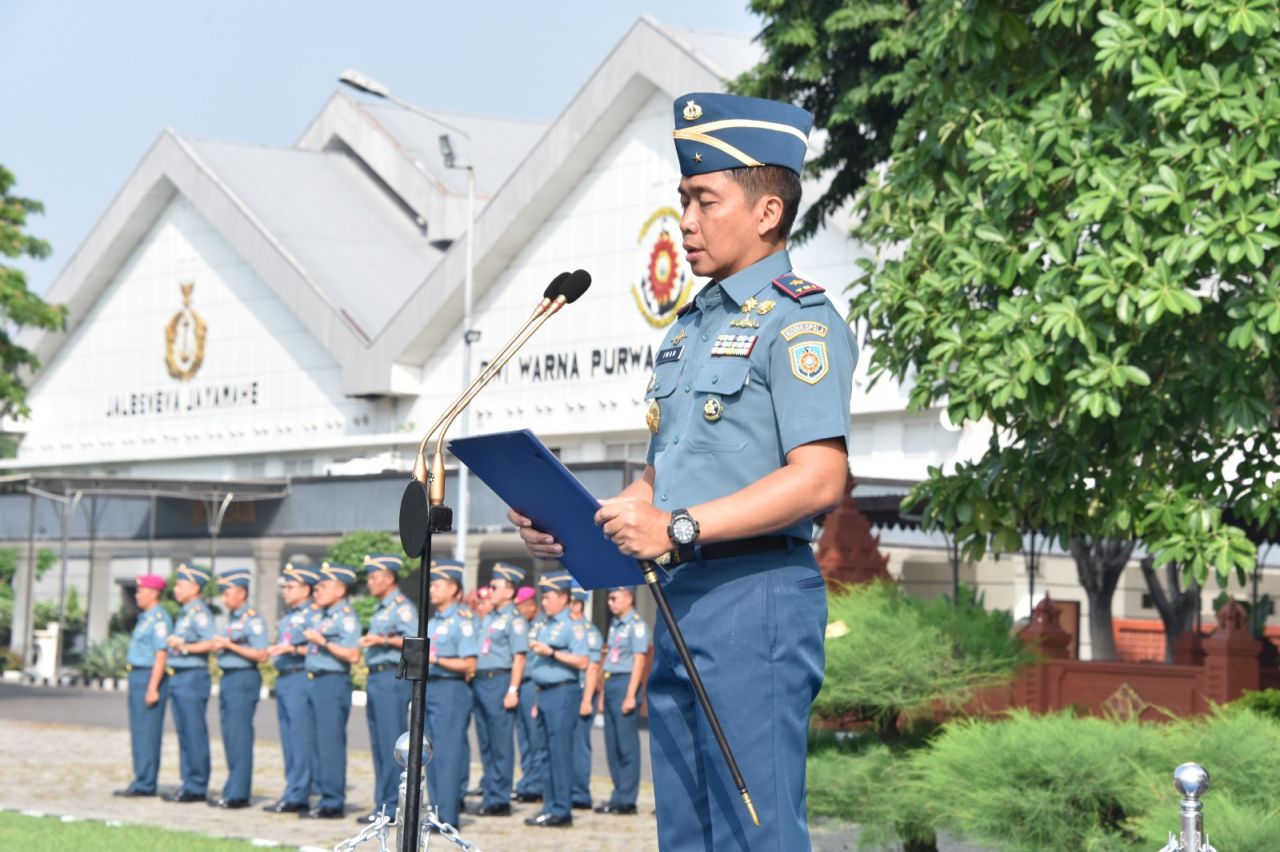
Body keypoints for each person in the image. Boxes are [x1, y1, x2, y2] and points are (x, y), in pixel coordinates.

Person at [510, 92, 856, 850]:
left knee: (754, 832)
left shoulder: (799, 322)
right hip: (681, 597)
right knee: (688, 836)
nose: (687, 222)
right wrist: (584, 523)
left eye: (705, 200)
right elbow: (663, 476)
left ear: (767, 213)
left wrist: (679, 526)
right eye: (683, 202)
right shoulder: (691, 330)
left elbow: (820, 478)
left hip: (755, 598)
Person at [356, 553, 418, 824]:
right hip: (376, 678)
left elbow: (412, 639)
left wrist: (381, 639)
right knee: (379, 743)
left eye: (374, 577)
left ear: (390, 578)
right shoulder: (383, 608)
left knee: (391, 742)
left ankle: (392, 805)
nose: (370, 583)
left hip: (391, 679)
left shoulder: (402, 607)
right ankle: (382, 803)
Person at [523, 573, 589, 828]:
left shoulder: (573, 626)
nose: (545, 602)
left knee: (559, 752)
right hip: (544, 692)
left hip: (563, 691)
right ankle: (549, 805)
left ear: (563, 597)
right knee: (544, 753)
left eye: (549, 596)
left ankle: (562, 810)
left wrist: (551, 652)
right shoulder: (544, 624)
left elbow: (583, 661)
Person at [301, 562, 361, 819]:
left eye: (323, 586)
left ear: (340, 589)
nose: (316, 590)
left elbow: (352, 654)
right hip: (315, 681)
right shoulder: (323, 616)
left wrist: (322, 642)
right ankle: (324, 796)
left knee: (330, 745)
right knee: (315, 743)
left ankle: (333, 802)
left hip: (332, 682)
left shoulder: (346, 617)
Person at [469, 562, 529, 817]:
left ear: (509, 590)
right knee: (485, 742)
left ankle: (500, 799)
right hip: (481, 681)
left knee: (501, 743)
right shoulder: (489, 617)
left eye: (495, 587)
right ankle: (490, 791)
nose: (490, 591)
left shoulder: (514, 620)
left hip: (500, 681)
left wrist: (513, 689)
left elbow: (519, 656)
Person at [262, 563, 322, 814]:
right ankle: (293, 788)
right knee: (288, 739)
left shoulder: (314, 615)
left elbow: (320, 648)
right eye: (284, 586)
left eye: (290, 586)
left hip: (300, 676)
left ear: (306, 588)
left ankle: (299, 793)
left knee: (299, 738)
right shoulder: (289, 615)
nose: (285, 591)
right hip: (285, 677)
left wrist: (293, 650)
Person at [424, 559, 478, 831]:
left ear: (454, 588)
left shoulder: (462, 620)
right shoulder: (433, 621)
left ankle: (448, 815)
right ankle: (435, 812)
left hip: (451, 689)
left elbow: (469, 664)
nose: (431, 589)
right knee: (431, 755)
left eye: (437, 584)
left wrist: (437, 660)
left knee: (448, 754)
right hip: (431, 688)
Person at [209, 567, 269, 808]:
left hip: (243, 678)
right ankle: (232, 787)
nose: (224, 598)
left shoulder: (252, 619)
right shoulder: (234, 619)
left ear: (242, 592)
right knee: (230, 736)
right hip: (229, 678)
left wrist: (230, 646)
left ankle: (239, 793)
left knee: (240, 736)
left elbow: (261, 653)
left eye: (227, 592)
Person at [113, 574, 173, 798]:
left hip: (149, 676)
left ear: (154, 593)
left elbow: (161, 655)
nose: (137, 595)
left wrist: (153, 687)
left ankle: (146, 782)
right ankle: (141, 778)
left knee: (148, 732)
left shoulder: (159, 619)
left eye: (141, 591)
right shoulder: (145, 617)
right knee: (139, 731)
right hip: (138, 675)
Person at [593, 585, 649, 815]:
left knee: (627, 746)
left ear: (629, 597)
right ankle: (617, 795)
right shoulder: (616, 624)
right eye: (609, 598)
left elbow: (639, 662)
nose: (610, 602)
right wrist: (603, 693)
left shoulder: (636, 626)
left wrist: (630, 695)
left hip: (626, 683)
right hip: (611, 682)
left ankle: (627, 799)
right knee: (612, 744)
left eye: (615, 598)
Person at [164, 562, 217, 803]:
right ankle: (188, 782)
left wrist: (184, 647)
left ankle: (197, 785)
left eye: (181, 584)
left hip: (193, 676)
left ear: (195, 588)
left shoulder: (200, 613)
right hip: (180, 676)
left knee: (194, 732)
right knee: (184, 732)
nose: (176, 589)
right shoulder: (186, 612)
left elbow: (211, 642)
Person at [511, 585, 547, 804]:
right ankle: (527, 781)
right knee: (524, 739)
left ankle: (536, 784)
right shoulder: (523, 626)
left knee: (535, 739)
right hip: (522, 685)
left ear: (531, 605)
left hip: (535, 684)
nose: (519, 612)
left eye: (521, 607)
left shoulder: (543, 625)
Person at [569, 585, 602, 811]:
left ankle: (580, 793)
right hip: (568, 693)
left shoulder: (589, 632)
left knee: (580, 746)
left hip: (582, 692)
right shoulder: (565, 628)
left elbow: (592, 668)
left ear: (578, 605)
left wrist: (587, 700)